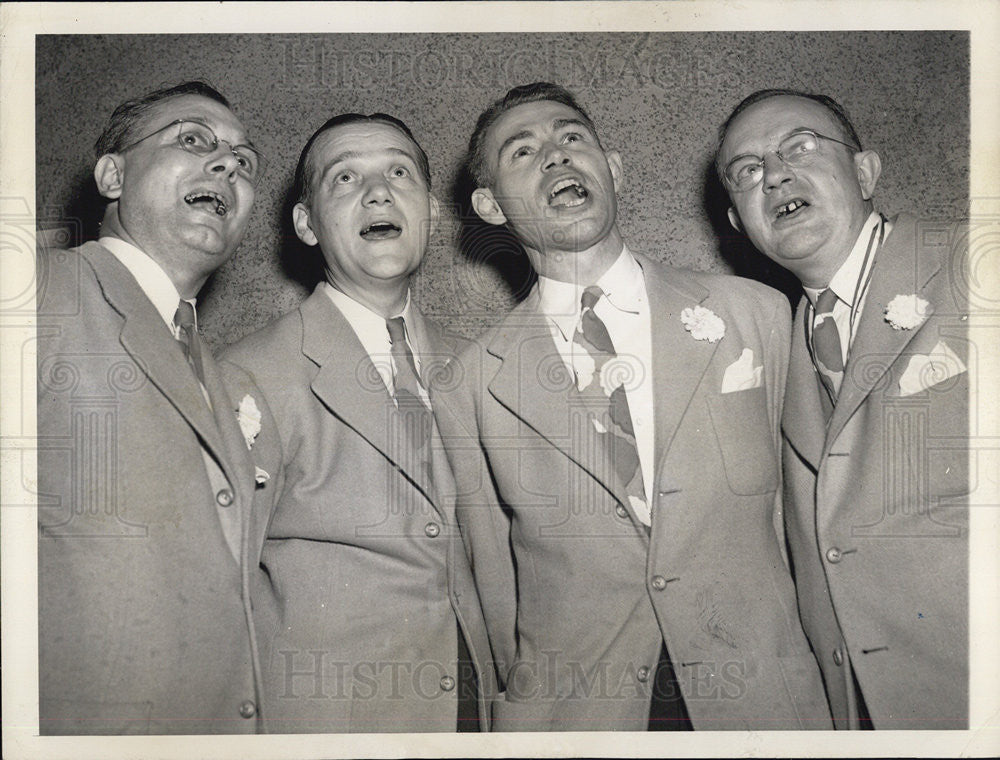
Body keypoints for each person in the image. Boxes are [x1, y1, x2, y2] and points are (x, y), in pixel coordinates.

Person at [432, 82, 831, 731]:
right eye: (523, 151)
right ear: (490, 204)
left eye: (571, 138)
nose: (556, 158)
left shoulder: (753, 313)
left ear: (612, 168)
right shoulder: (470, 386)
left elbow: (806, 528)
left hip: (761, 704)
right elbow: (496, 585)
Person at [219, 113, 496, 732]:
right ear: (305, 224)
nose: (378, 192)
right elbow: (213, 597)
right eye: (346, 178)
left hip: (476, 716)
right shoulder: (243, 375)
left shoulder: (482, 365)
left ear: (430, 208)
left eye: (399, 172)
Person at [717, 89, 969, 729]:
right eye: (746, 171)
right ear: (738, 221)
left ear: (865, 172)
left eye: (798, 147)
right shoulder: (764, 355)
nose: (772, 174)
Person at [36, 81, 272, 734]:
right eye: (193, 141)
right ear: (113, 175)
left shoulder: (218, 376)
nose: (227, 164)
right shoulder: (37, 289)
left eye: (244, 161)